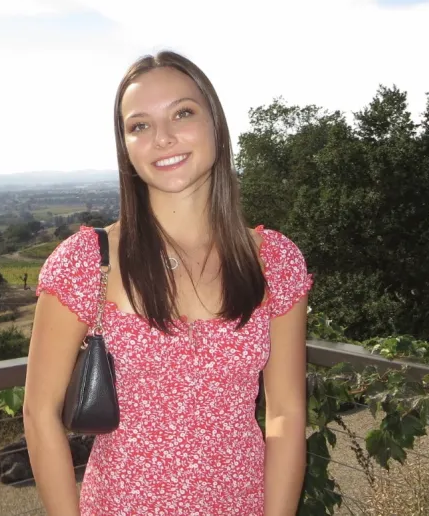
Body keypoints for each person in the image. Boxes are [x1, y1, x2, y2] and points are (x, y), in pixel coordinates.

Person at [23, 51, 311, 515]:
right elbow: (40, 415)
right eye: (139, 126)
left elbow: (285, 414)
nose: (163, 138)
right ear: (126, 147)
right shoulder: (87, 263)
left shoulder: (275, 261)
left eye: (182, 113)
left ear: (215, 123)